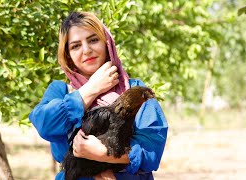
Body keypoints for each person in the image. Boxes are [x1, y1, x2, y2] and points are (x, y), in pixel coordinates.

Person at [29, 12, 168, 180]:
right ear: (68, 55)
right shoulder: (61, 91)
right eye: (75, 46)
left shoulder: (136, 91)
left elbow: (152, 151)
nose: (86, 50)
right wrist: (91, 89)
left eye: (93, 40)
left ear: (107, 43)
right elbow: (45, 125)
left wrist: (102, 154)